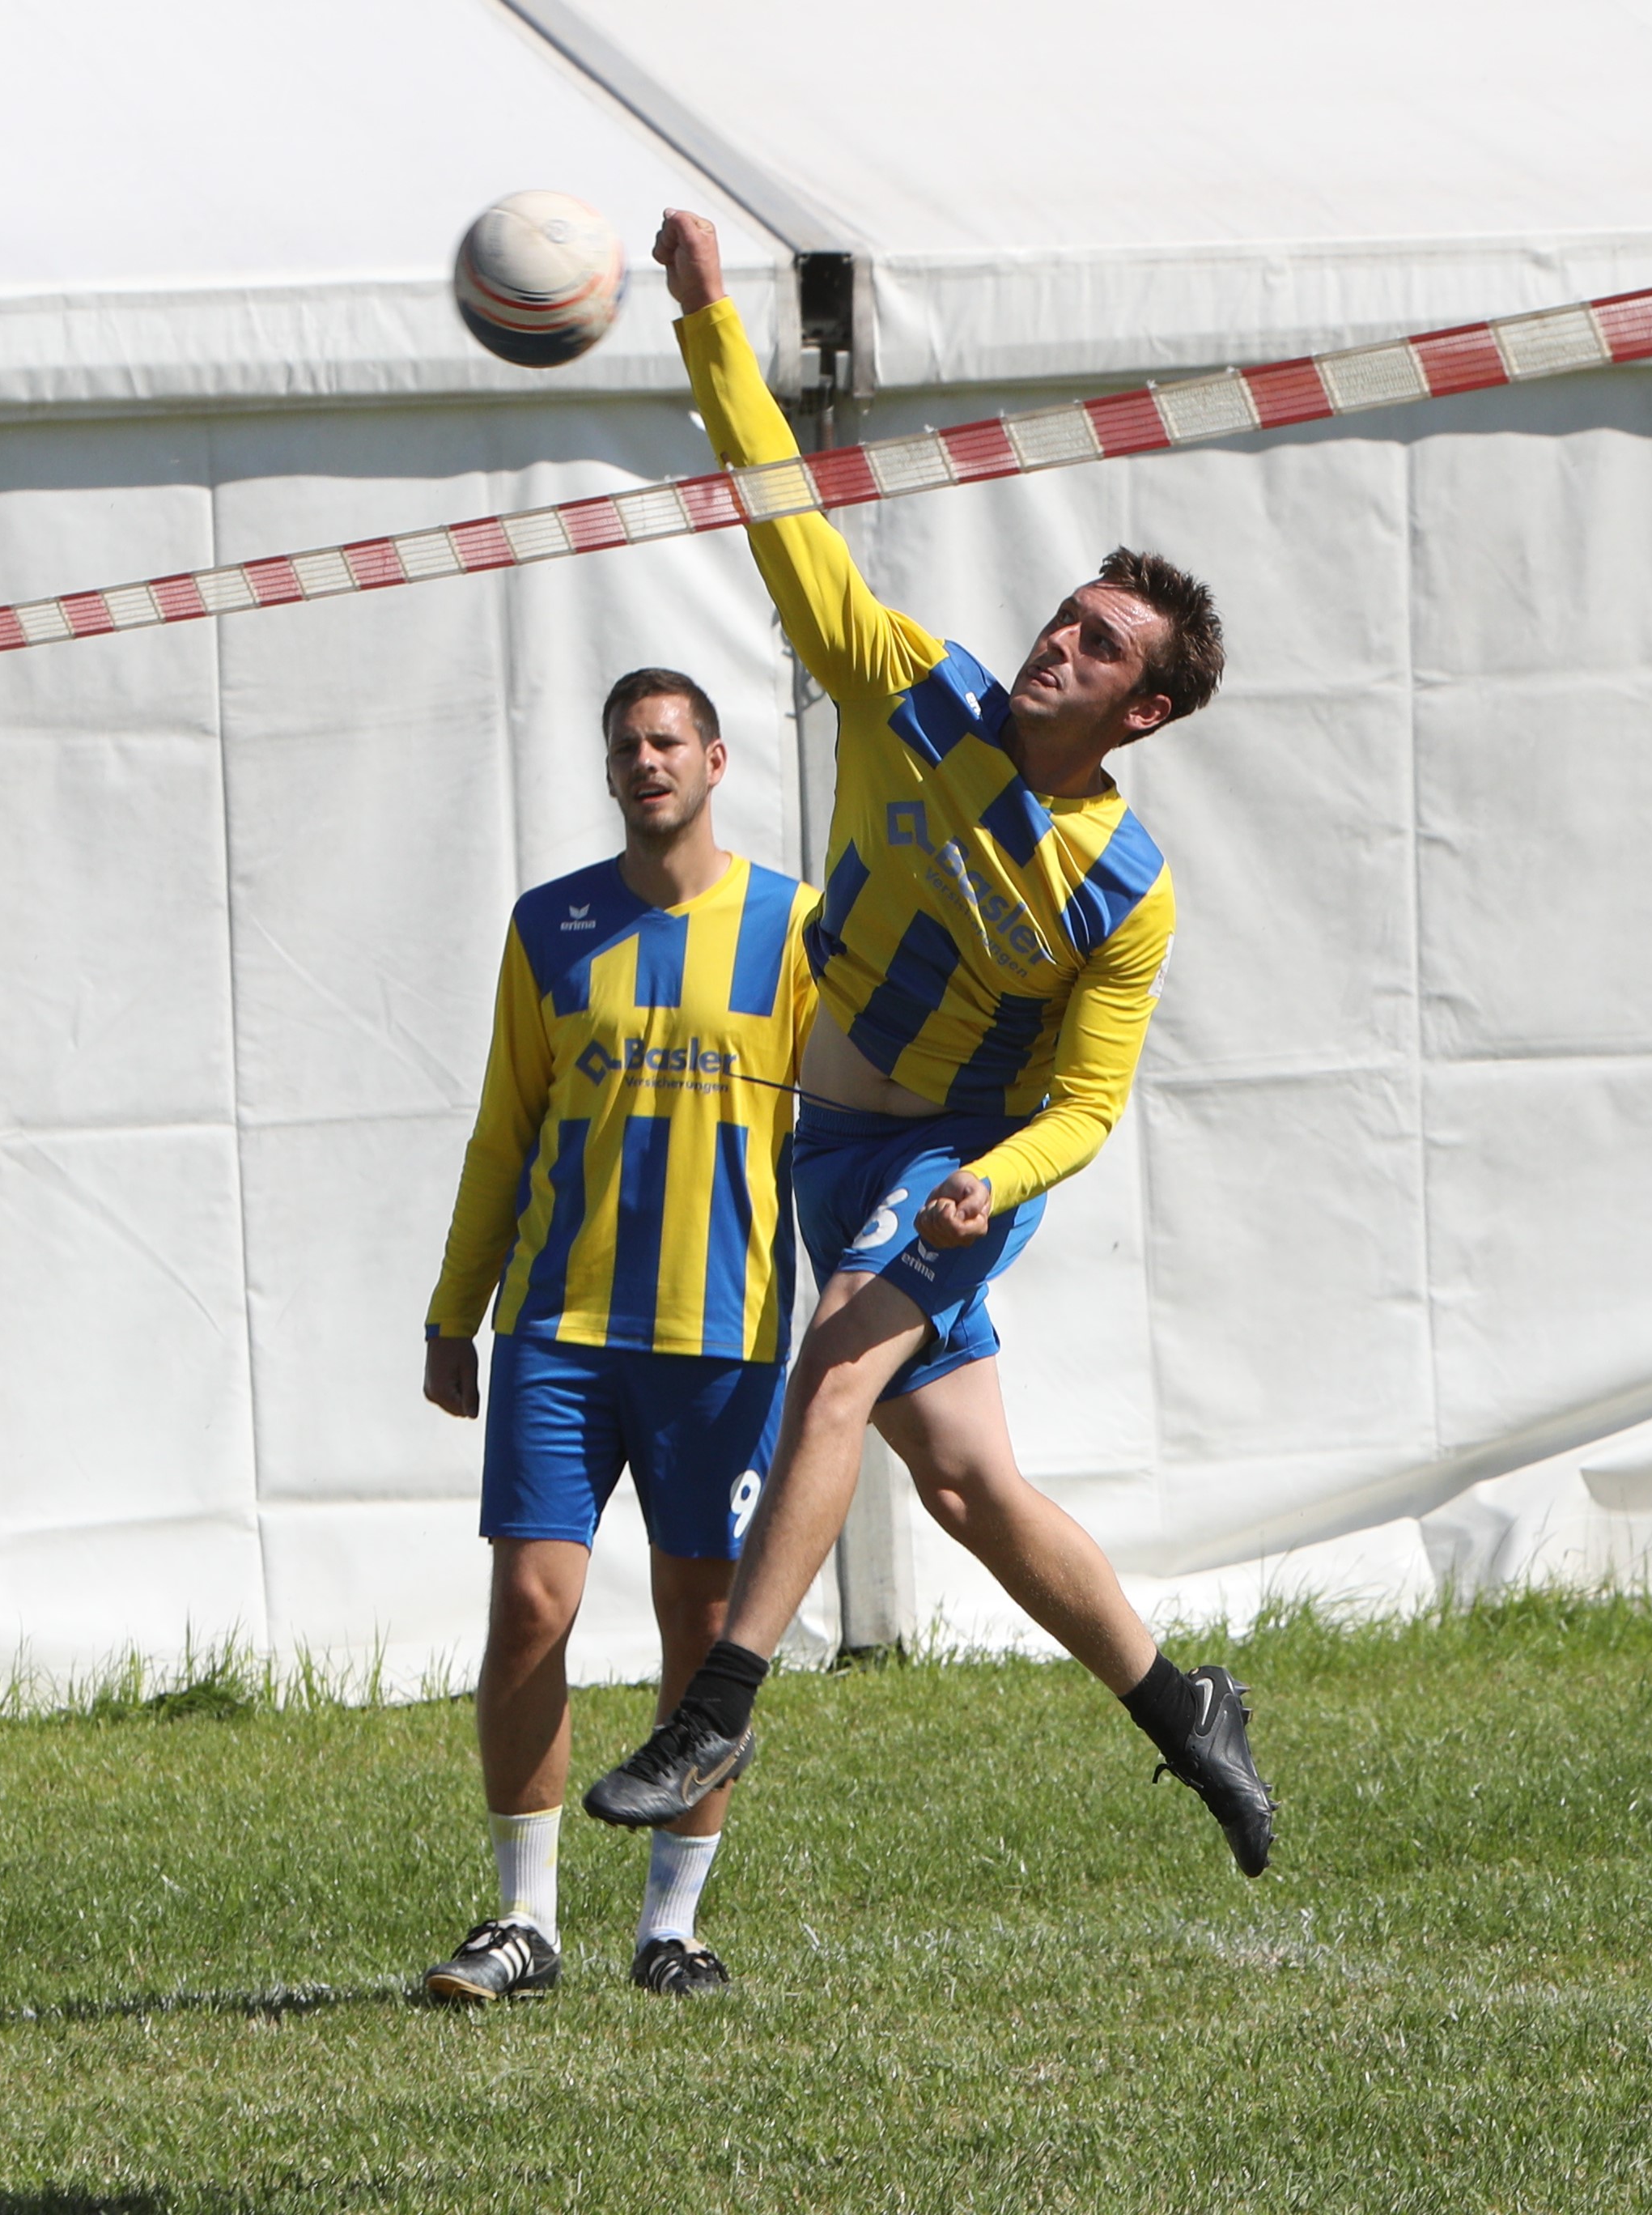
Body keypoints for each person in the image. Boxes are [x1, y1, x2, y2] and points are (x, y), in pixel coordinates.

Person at [579, 210, 1276, 1877]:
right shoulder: (918, 696)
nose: (1061, 641)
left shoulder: (1124, 890)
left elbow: (1088, 1104)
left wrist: (991, 1186)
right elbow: (780, 516)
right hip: (831, 1147)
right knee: (966, 1488)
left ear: (1145, 713)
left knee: (834, 1358)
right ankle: (1191, 1716)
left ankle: (717, 1711)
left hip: (958, 1164)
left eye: (1102, 646)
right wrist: (707, 328)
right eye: (1068, 617)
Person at [418, 666, 818, 2000]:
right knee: (533, 1600)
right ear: (609, 774)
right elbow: (501, 1133)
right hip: (559, 1325)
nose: (647, 762)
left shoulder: (797, 928)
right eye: (626, 746)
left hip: (723, 1330)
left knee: (702, 1625)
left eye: (669, 741)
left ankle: (670, 1929)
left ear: (715, 762)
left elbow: (856, 1122)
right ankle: (524, 1922)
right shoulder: (551, 927)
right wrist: (451, 1313)